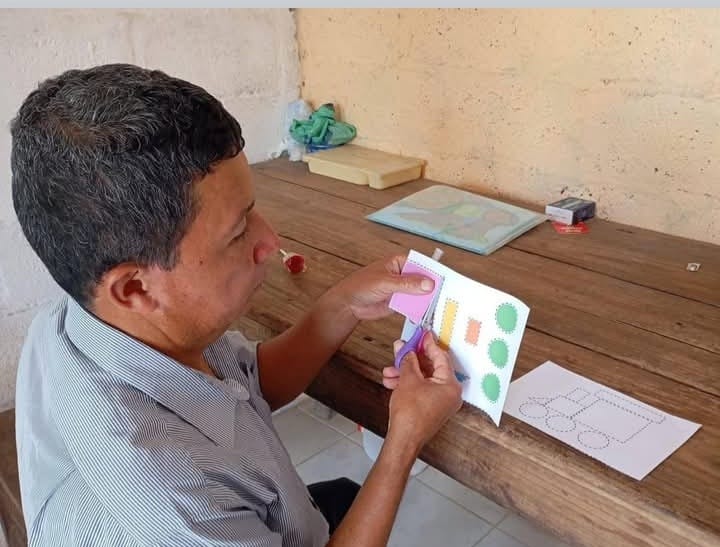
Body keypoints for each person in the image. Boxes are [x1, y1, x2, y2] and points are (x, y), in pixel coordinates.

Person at [11, 63, 462, 547]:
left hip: (274, 516)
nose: (270, 241)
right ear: (135, 289)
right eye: (239, 231)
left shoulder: (87, 320)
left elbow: (246, 384)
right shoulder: (172, 501)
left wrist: (344, 303)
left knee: (344, 497)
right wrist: (403, 442)